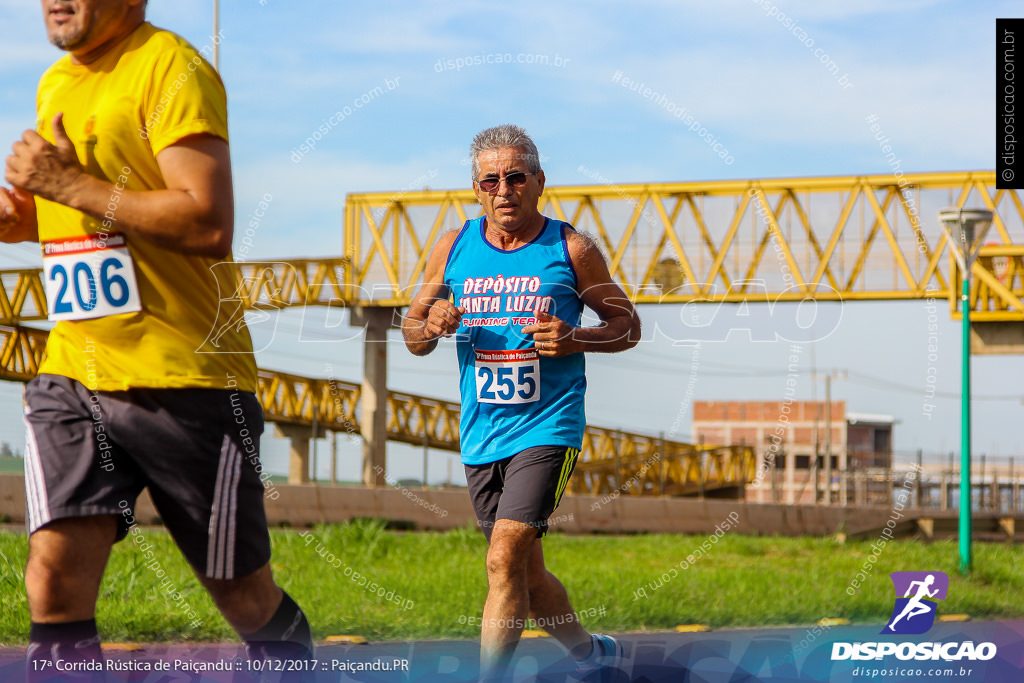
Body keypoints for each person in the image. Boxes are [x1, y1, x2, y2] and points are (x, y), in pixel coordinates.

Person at [0, 0, 313, 678]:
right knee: (52, 580)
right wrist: (28, 216)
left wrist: (70, 184)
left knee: (244, 596)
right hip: (75, 371)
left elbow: (206, 221)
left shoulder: (170, 66)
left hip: (188, 379)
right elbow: (89, 208)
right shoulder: (58, 82)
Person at [403, 124, 641, 681]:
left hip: (548, 426)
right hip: (483, 432)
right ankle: (593, 654)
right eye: (491, 180)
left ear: (538, 182)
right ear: (476, 188)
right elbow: (412, 333)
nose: (503, 189)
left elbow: (627, 326)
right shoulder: (454, 245)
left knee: (503, 555)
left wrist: (575, 337)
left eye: (515, 177)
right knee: (525, 575)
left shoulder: (572, 248)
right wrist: (431, 322)